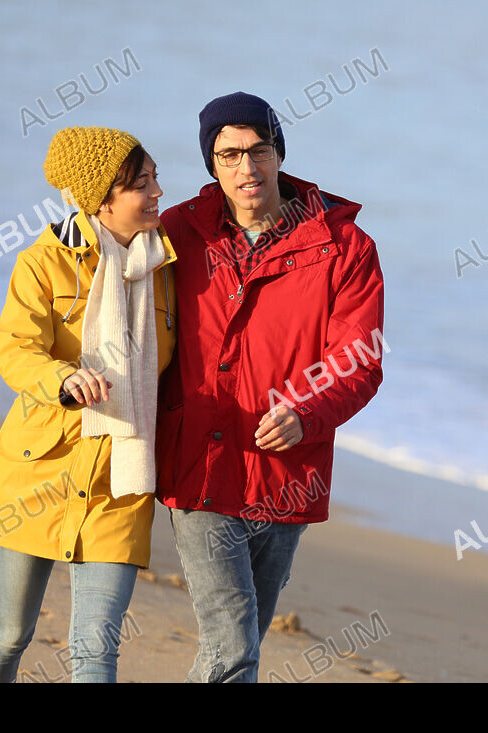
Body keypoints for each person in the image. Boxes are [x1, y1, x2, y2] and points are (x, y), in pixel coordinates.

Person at [155, 91, 385, 682]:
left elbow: (359, 361)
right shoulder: (179, 230)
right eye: (229, 155)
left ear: (279, 154)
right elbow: (109, 260)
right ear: (212, 164)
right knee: (233, 645)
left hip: (288, 473)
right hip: (199, 466)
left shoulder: (345, 248)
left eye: (258, 151)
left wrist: (306, 414)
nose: (246, 168)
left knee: (238, 641)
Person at [0, 126, 177, 683]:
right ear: (100, 197)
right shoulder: (44, 262)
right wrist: (63, 378)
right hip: (40, 470)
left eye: (155, 178)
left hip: (121, 480)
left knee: (95, 652)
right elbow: (16, 351)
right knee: (8, 635)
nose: (157, 193)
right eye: (142, 184)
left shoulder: (169, 270)